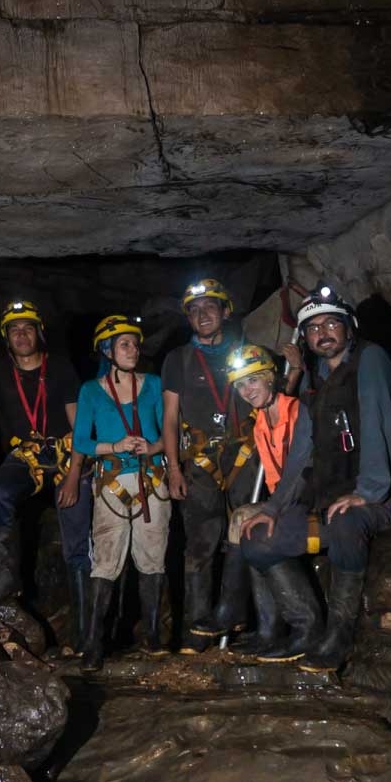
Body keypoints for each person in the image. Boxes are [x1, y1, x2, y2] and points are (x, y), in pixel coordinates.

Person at [240, 288, 391, 669]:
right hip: (330, 500)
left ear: (349, 327)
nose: (322, 333)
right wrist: (274, 508)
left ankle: (340, 635)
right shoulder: (315, 382)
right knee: (257, 539)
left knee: (344, 522)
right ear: (304, 338)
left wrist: (367, 492)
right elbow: (302, 452)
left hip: (387, 499)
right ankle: (307, 629)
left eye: (331, 323)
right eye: (313, 328)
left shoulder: (370, 360)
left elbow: (377, 423)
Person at [0, 299, 89, 617]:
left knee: (77, 530)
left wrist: (77, 472)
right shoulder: (0, 372)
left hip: (64, 454)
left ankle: (84, 618)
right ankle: (7, 580)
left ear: (39, 333)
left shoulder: (59, 367)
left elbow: (80, 424)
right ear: (6, 337)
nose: (21, 335)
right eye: (13, 330)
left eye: (27, 328)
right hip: (26, 457)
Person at [160, 278, 254, 653]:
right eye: (195, 310)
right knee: (200, 546)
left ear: (225, 312)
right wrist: (173, 468)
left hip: (245, 458)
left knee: (247, 538)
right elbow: (169, 418)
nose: (203, 315)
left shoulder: (247, 352)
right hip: (199, 464)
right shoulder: (178, 359)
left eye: (210, 307)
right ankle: (196, 631)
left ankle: (243, 624)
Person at [73, 314, 170, 670]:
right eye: (125, 344)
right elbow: (81, 440)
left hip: (152, 482)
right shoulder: (91, 390)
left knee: (153, 557)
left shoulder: (155, 384)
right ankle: (94, 643)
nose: (133, 349)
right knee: (106, 561)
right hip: (113, 485)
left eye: (134, 343)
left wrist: (155, 447)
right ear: (108, 350)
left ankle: (154, 636)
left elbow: (169, 431)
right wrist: (114, 446)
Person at [225, 344, 322, 663]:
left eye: (253, 380)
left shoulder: (298, 409)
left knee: (257, 533)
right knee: (243, 519)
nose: (246, 390)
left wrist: (273, 511)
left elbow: (303, 473)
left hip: (314, 497)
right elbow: (275, 483)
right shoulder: (260, 424)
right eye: (240, 385)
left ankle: (306, 627)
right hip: (288, 499)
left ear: (270, 378)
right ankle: (267, 628)